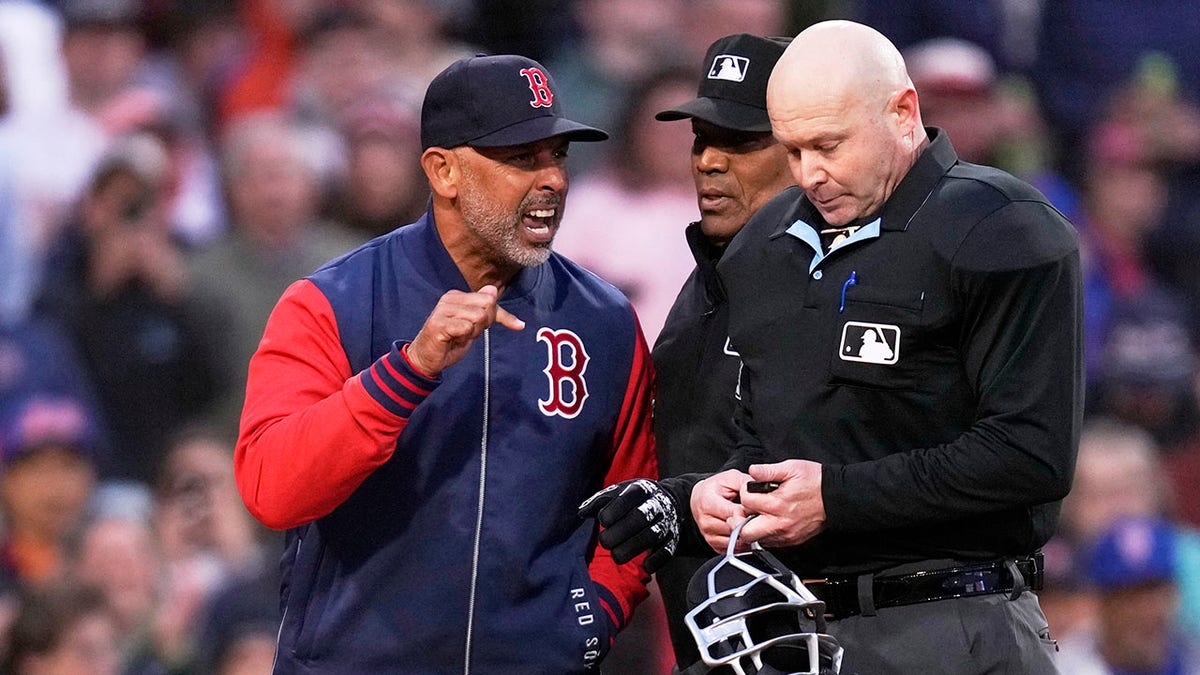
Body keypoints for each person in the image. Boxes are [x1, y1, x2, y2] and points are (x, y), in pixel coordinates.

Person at [581, 20, 1082, 674]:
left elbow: (1030, 455)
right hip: (797, 630)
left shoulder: (1000, 225)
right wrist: (695, 497)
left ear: (902, 112)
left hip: (958, 619)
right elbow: (769, 441)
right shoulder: (765, 246)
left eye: (829, 145)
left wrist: (836, 497)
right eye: (793, 151)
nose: (811, 173)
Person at [234, 53, 658, 673]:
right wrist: (407, 371)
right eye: (522, 159)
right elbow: (272, 488)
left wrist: (590, 618)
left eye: (558, 156)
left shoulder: (604, 321)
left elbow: (635, 503)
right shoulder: (333, 303)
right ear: (444, 172)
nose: (554, 181)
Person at [640, 32, 792, 670]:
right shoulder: (701, 288)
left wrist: (683, 499)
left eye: (742, 141)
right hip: (704, 637)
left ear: (807, 150)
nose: (707, 161)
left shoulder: (845, 288)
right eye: (703, 138)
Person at [1056, 516, 1200, 674]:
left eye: (1155, 592)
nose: (1147, 611)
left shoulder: (1192, 658)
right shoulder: (1061, 668)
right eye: (1131, 597)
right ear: (1102, 604)